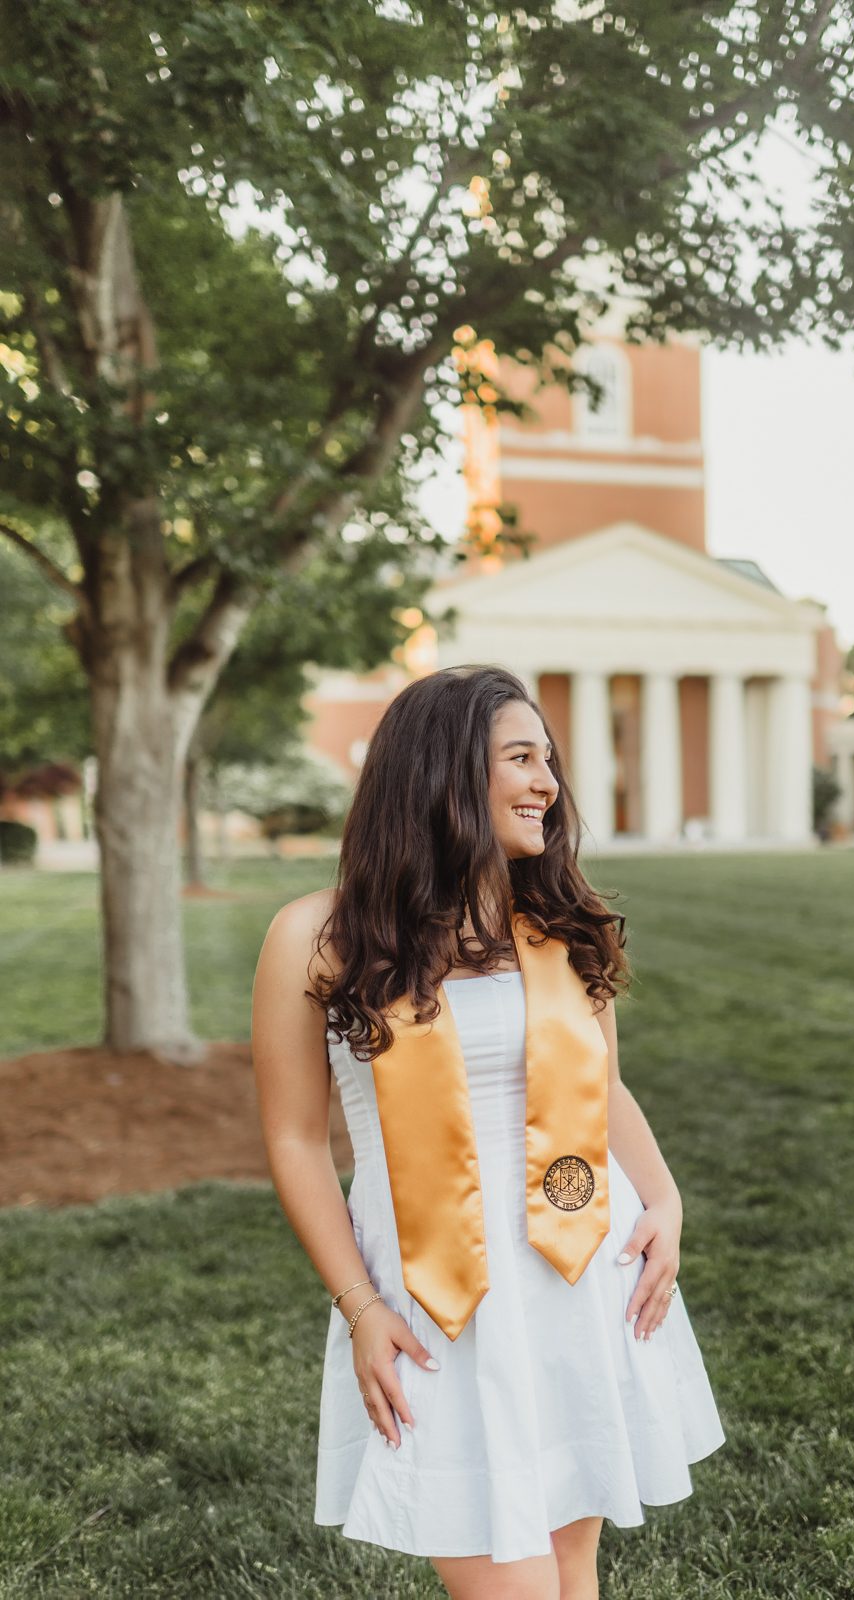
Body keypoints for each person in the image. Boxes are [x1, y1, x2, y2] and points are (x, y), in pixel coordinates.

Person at [251, 664, 725, 1600]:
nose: (548, 781)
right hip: (437, 1293)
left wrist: (666, 1201)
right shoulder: (318, 935)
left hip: (578, 1269)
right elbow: (297, 1140)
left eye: (547, 758)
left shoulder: (558, 927)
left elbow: (604, 1086)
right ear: (443, 774)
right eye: (520, 757)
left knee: (568, 1566)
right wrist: (360, 1307)